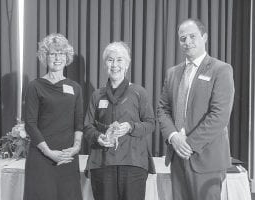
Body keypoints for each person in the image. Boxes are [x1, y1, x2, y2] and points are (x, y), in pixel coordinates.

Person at [157, 18, 235, 200]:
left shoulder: (221, 70)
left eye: (192, 36)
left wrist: (188, 144)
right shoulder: (172, 73)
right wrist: (174, 138)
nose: (187, 42)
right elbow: (162, 110)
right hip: (178, 158)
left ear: (204, 37)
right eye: (182, 38)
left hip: (206, 159)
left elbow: (219, 116)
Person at [84, 41, 155, 200]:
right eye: (110, 60)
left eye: (119, 60)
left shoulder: (138, 92)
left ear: (127, 64)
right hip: (102, 163)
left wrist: (131, 127)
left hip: (133, 162)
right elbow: (87, 127)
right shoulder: (97, 95)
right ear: (104, 65)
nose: (114, 64)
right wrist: (98, 137)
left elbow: (151, 123)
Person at [24, 33, 83, 200]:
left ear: (67, 57)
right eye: (52, 53)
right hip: (42, 157)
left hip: (67, 157)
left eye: (61, 53)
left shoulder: (75, 88)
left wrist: (76, 147)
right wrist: (49, 152)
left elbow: (79, 122)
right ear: (45, 57)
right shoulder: (34, 86)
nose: (57, 58)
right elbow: (30, 124)